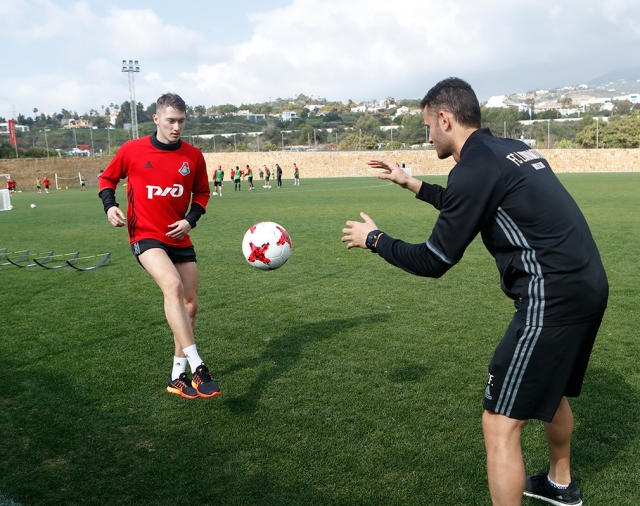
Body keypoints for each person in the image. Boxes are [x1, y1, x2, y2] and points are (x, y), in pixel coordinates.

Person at [341, 77, 608, 506]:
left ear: (445, 119)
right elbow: (471, 201)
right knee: (549, 388)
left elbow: (435, 261)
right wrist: (412, 184)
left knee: (499, 422)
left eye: (428, 127)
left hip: (551, 295)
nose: (428, 137)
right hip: (587, 284)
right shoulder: (508, 149)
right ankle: (561, 484)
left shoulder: (473, 167)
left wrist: (376, 240)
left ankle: (556, 485)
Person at [98, 92, 220, 400]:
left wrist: (190, 220)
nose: (176, 127)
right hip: (145, 234)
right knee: (173, 287)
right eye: (170, 121)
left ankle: (177, 375)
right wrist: (109, 205)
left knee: (190, 304)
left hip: (179, 236)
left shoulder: (193, 155)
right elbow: (106, 179)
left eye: (181, 121)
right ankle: (198, 365)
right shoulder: (133, 149)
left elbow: (202, 193)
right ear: (156, 119)